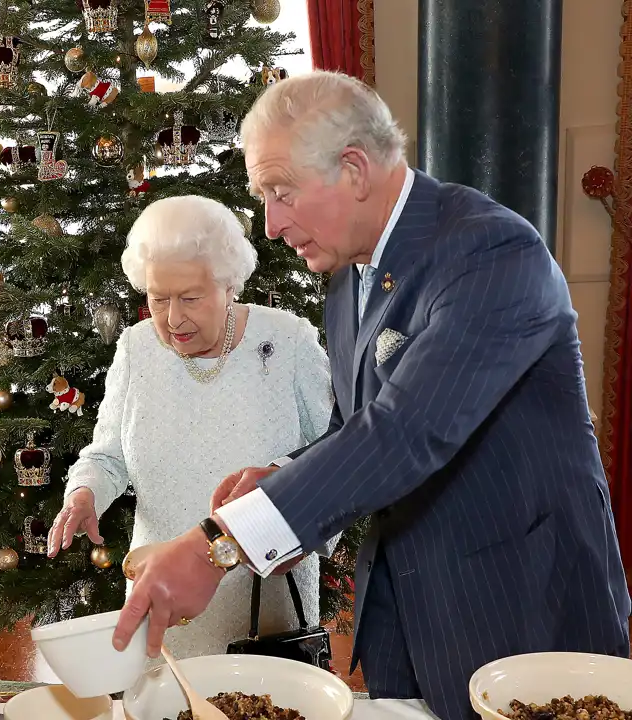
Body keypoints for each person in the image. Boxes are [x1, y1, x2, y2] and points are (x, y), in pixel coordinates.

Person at [111, 71, 631, 720]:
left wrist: (219, 545)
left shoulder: (493, 254)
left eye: (280, 193)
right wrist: (286, 474)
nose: (269, 225)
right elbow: (356, 426)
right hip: (409, 614)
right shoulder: (350, 274)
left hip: (523, 609)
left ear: (354, 170)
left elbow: (404, 432)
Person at [47, 195, 334, 659]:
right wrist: (85, 493)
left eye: (191, 298)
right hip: (162, 594)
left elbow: (336, 452)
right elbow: (107, 455)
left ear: (229, 285)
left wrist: (293, 516)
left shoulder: (288, 340)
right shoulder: (137, 349)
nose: (173, 318)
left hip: (264, 598)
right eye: (158, 299)